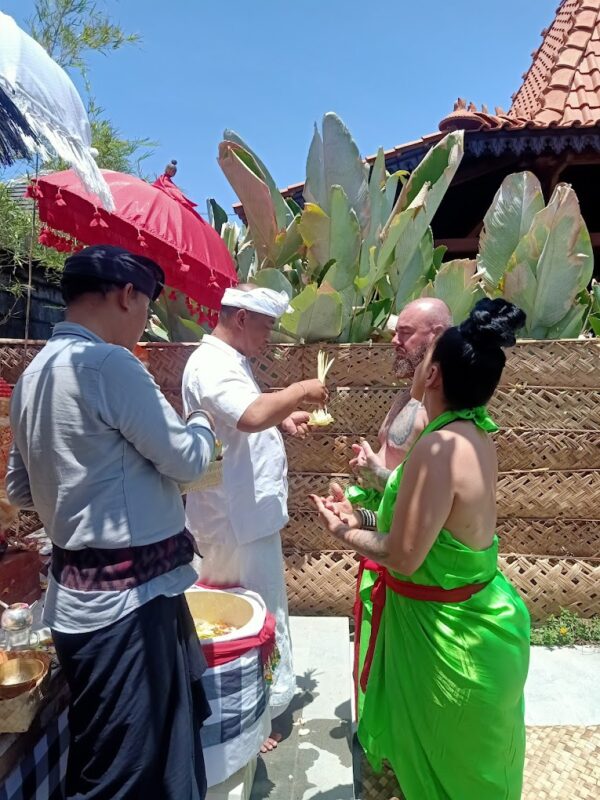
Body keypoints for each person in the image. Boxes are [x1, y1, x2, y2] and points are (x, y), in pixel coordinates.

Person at [6, 245, 216, 800]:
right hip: (129, 606)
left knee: (108, 747)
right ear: (127, 295)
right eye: (146, 306)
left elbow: (18, 489)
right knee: (127, 769)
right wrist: (198, 421)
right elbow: (189, 460)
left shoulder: (31, 378)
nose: (144, 322)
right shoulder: (108, 365)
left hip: (77, 599)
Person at [311, 298, 531, 800]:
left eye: (426, 350)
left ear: (433, 375)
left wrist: (340, 532)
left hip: (449, 641)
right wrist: (363, 514)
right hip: (476, 622)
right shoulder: (474, 434)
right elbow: (430, 527)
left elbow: (406, 555)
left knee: (440, 779)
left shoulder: (436, 446)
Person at [182, 284, 328, 753]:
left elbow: (243, 411)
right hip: (233, 523)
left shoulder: (229, 360)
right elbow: (245, 415)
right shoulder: (210, 364)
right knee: (252, 613)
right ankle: (259, 709)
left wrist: (283, 419)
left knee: (255, 609)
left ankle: (254, 703)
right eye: (265, 326)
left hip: (244, 517)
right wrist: (301, 390)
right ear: (241, 318)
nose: (269, 337)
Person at [347, 297, 452, 718]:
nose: (393, 340)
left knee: (409, 673)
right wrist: (368, 470)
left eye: (404, 333)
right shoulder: (404, 400)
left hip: (414, 564)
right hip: (382, 549)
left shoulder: (443, 414)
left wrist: (380, 477)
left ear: (437, 337)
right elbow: (389, 469)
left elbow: (431, 499)